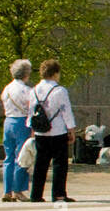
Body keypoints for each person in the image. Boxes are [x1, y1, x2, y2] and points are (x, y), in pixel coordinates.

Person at [29, 59, 77, 202]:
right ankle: (58, 193)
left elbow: (31, 111)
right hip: (57, 130)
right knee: (59, 164)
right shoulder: (59, 90)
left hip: (41, 131)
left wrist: (32, 128)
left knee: (40, 163)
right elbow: (66, 111)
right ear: (55, 73)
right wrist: (71, 129)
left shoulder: (34, 90)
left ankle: (36, 194)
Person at [0, 59, 33, 202]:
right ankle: (18, 189)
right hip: (22, 122)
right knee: (22, 157)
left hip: (8, 121)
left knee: (8, 157)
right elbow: (31, 108)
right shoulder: (27, 90)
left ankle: (7, 190)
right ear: (26, 73)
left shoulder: (6, 88)